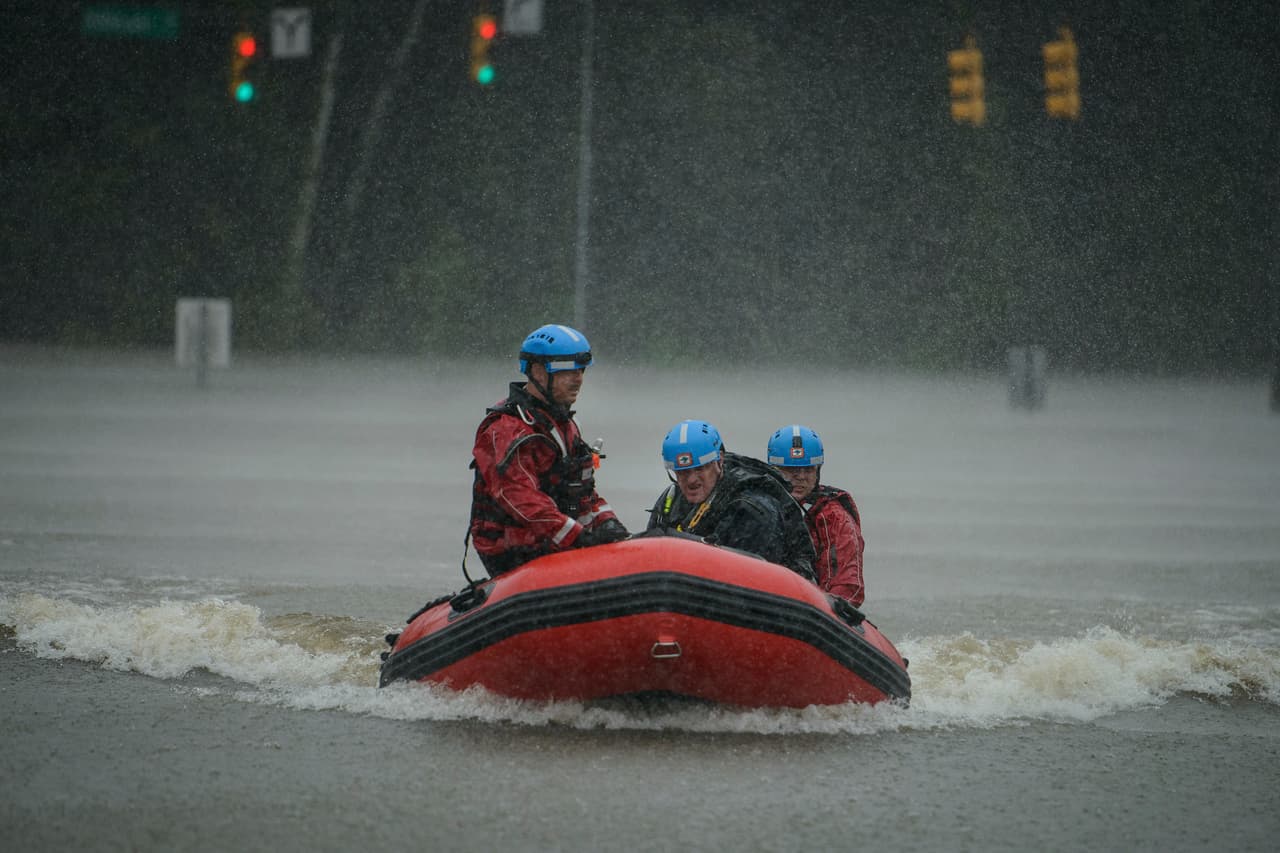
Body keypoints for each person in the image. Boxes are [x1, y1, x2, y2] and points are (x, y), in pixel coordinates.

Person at [468, 323, 628, 576]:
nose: (578, 379)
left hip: (553, 543)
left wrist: (608, 526)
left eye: (581, 370)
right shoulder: (508, 430)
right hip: (513, 551)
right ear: (538, 372)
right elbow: (523, 501)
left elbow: (582, 493)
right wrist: (579, 538)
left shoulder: (564, 426)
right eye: (568, 371)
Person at [647, 419, 816, 582]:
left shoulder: (752, 507)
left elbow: (748, 579)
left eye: (700, 469)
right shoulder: (671, 499)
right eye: (683, 472)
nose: (691, 480)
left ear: (719, 460)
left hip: (775, 596)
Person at [767, 424, 865, 606]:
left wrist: (827, 611)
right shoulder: (759, 507)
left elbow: (846, 581)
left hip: (813, 608)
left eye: (808, 469)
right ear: (774, 469)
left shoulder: (834, 517)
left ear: (818, 470)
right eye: (791, 470)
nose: (801, 477)